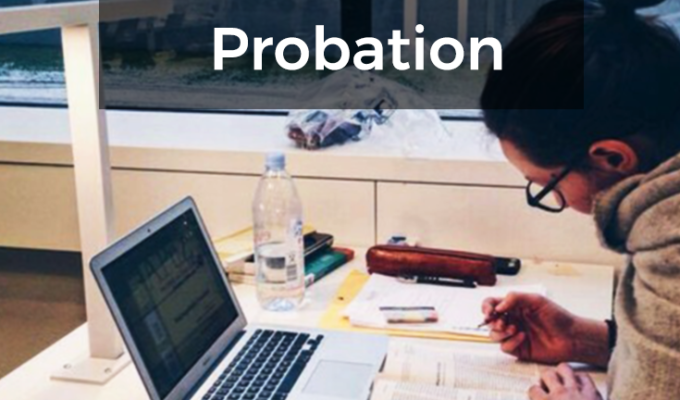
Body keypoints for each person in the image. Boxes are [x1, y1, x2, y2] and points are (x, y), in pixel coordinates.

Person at [479, 0, 680, 399]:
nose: (560, 202)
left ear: (612, 158)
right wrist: (583, 339)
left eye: (549, 186)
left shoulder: (671, 243)